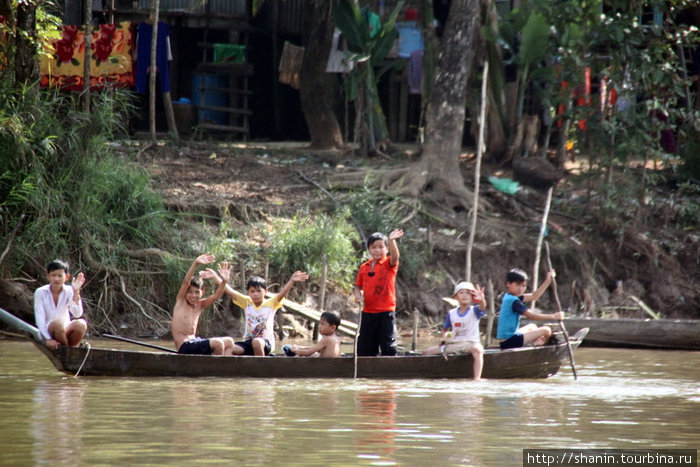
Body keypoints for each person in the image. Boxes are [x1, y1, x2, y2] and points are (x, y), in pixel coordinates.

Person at [203, 270, 309, 356]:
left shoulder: (271, 303)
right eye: (252, 291)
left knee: (257, 342)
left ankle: (261, 368)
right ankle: (229, 373)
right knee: (229, 348)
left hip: (264, 343)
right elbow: (229, 291)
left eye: (259, 291)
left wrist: (291, 281)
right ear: (248, 292)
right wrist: (215, 277)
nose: (255, 294)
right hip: (247, 342)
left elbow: (282, 294)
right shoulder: (247, 302)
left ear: (265, 292)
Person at [353, 229, 404, 356]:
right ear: (369, 249)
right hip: (368, 312)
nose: (377, 250)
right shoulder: (364, 267)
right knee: (364, 349)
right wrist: (358, 295)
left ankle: (390, 372)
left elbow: (395, 257)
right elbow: (357, 286)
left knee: (388, 347)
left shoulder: (388, 264)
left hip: (385, 312)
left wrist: (392, 240)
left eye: (381, 247)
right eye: (374, 247)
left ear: (386, 249)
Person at [422, 281, 487, 381]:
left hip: (470, 343)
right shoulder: (452, 313)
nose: (465, 295)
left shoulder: (474, 311)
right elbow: (445, 329)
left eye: (468, 293)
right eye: (461, 293)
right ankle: (429, 376)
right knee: (426, 352)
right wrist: (445, 339)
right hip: (454, 344)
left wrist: (482, 300)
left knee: (478, 350)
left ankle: (477, 379)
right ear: (456, 297)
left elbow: (482, 307)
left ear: (472, 297)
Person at [171, 253, 234, 355]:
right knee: (218, 344)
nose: (193, 295)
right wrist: (196, 263)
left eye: (197, 292)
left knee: (229, 341)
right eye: (190, 292)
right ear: (185, 293)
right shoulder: (181, 301)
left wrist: (224, 281)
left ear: (202, 293)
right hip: (184, 346)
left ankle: (223, 369)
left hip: (195, 341)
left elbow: (215, 296)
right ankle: (215, 370)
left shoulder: (200, 305)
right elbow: (186, 282)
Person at [496, 268, 562, 350]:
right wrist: (553, 316)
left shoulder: (509, 296)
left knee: (532, 326)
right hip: (509, 342)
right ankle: (537, 347)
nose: (521, 289)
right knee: (547, 330)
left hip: (508, 340)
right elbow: (531, 316)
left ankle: (536, 343)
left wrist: (548, 281)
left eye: (523, 286)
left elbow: (534, 296)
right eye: (518, 285)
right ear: (508, 284)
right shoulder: (514, 301)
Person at [34, 260, 88, 350]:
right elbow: (40, 318)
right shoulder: (40, 292)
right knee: (58, 324)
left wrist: (76, 292)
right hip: (50, 330)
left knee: (81, 324)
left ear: (66, 277)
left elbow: (77, 314)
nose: (56, 279)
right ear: (48, 276)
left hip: (65, 330)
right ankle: (70, 351)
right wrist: (48, 339)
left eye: (60, 276)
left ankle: (69, 349)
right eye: (53, 275)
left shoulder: (70, 290)